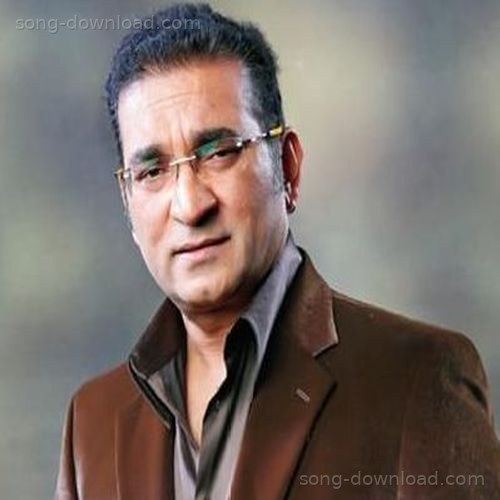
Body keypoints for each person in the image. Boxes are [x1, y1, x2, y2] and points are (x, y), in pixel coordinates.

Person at [54, 3, 500, 499]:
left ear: (287, 168)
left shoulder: (418, 380)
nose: (189, 205)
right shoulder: (93, 420)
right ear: (127, 202)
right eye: (153, 171)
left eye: (218, 153)